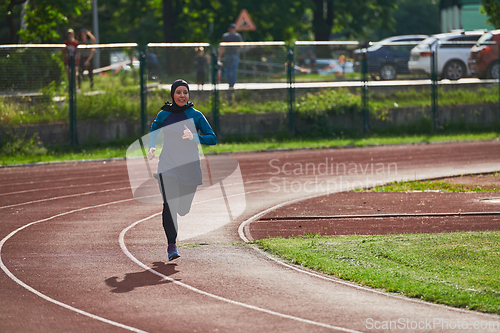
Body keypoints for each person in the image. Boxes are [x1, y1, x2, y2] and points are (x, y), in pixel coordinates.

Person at [147, 79, 217, 261]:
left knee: (183, 209)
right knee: (169, 205)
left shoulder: (195, 115)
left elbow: (212, 138)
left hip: (189, 168)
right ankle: (172, 244)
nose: (182, 96)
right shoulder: (164, 114)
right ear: (172, 94)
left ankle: (181, 210)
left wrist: (193, 136)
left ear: (189, 95)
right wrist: (152, 147)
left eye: (185, 92)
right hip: (167, 166)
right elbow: (154, 130)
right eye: (178, 92)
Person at [218, 23, 243, 88]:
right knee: (234, 70)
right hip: (235, 55)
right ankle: (232, 84)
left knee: (228, 70)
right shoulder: (238, 36)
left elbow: (222, 47)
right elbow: (241, 45)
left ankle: (230, 83)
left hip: (228, 55)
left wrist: (219, 56)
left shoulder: (225, 36)